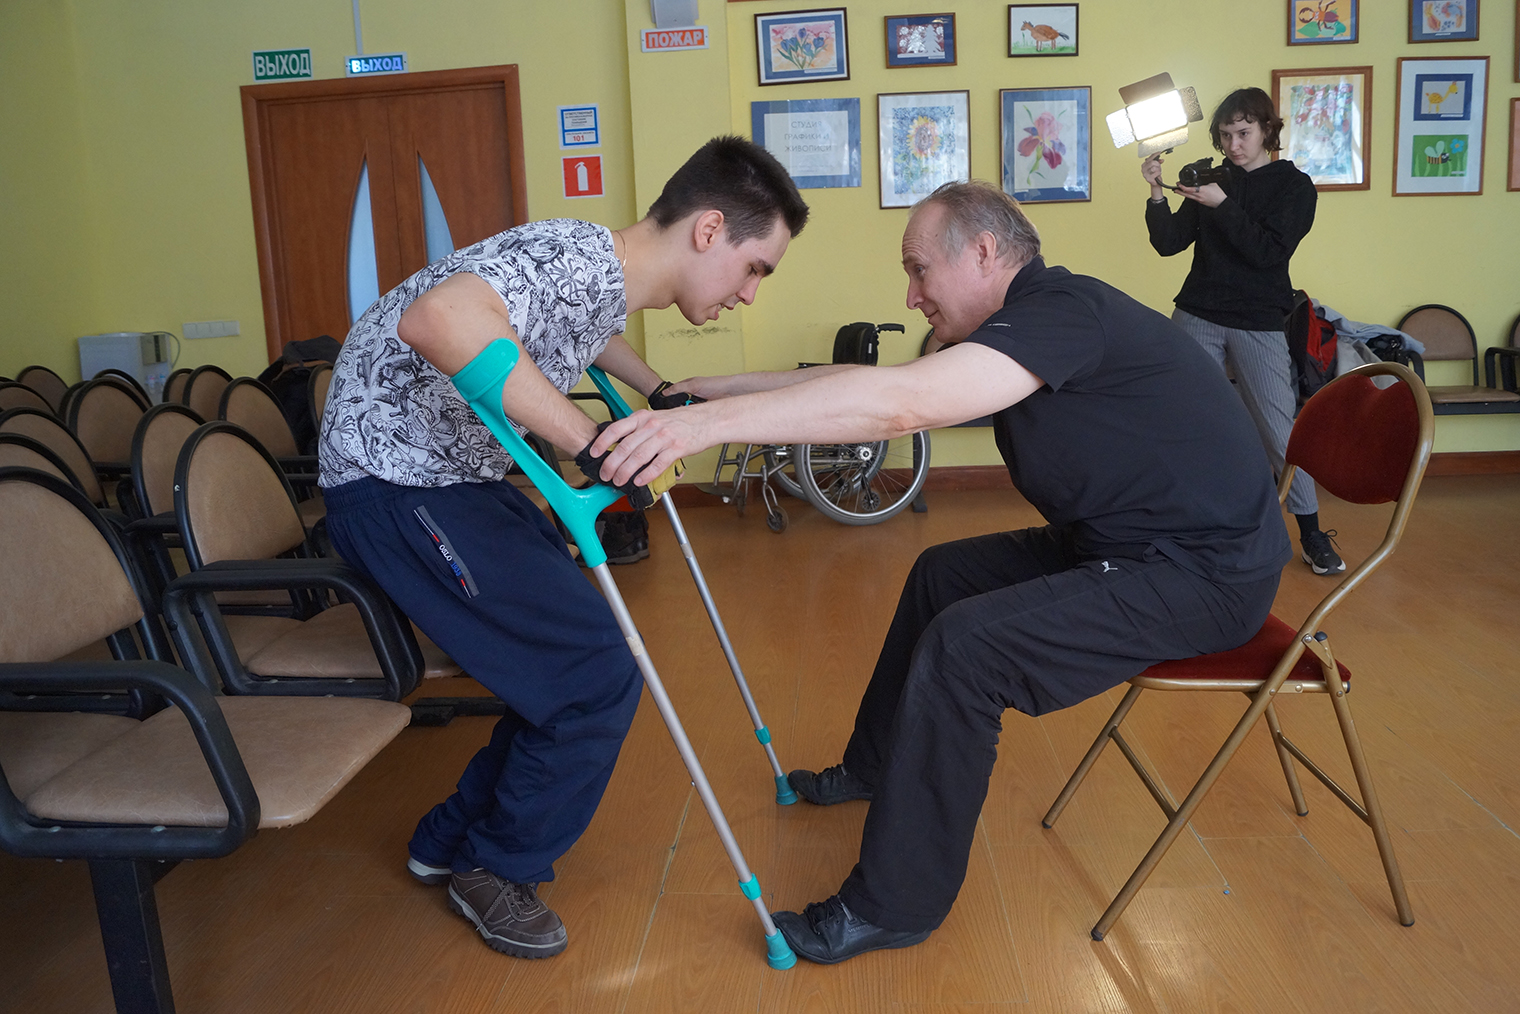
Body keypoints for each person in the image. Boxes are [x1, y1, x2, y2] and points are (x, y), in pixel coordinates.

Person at [587, 180, 1290, 964]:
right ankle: (875, 766)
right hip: (1122, 543)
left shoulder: (1063, 312)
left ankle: (893, 905)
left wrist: (699, 432)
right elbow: (852, 386)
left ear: (985, 252)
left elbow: (898, 408)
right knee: (941, 576)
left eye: (921, 270)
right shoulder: (1020, 323)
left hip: (1205, 573)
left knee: (968, 651)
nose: (912, 294)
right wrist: (700, 396)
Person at [316, 135, 809, 959]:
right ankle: (493, 866)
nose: (750, 295)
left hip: (452, 478)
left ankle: (450, 838)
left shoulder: (597, 273)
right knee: (593, 673)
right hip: (395, 482)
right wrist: (589, 442)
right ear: (710, 229)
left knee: (579, 661)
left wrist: (655, 390)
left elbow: (575, 329)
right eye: (756, 267)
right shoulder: (574, 256)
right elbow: (438, 318)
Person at [1142, 87, 1340, 574]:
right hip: (1197, 312)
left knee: (1279, 429)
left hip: (1258, 320)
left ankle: (1312, 534)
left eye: (1244, 133)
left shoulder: (1295, 187)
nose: (1234, 144)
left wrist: (1221, 203)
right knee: (1179, 420)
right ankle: (1182, 526)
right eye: (1226, 134)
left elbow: (1268, 252)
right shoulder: (1214, 179)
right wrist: (1154, 190)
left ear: (1268, 132)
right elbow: (1169, 244)